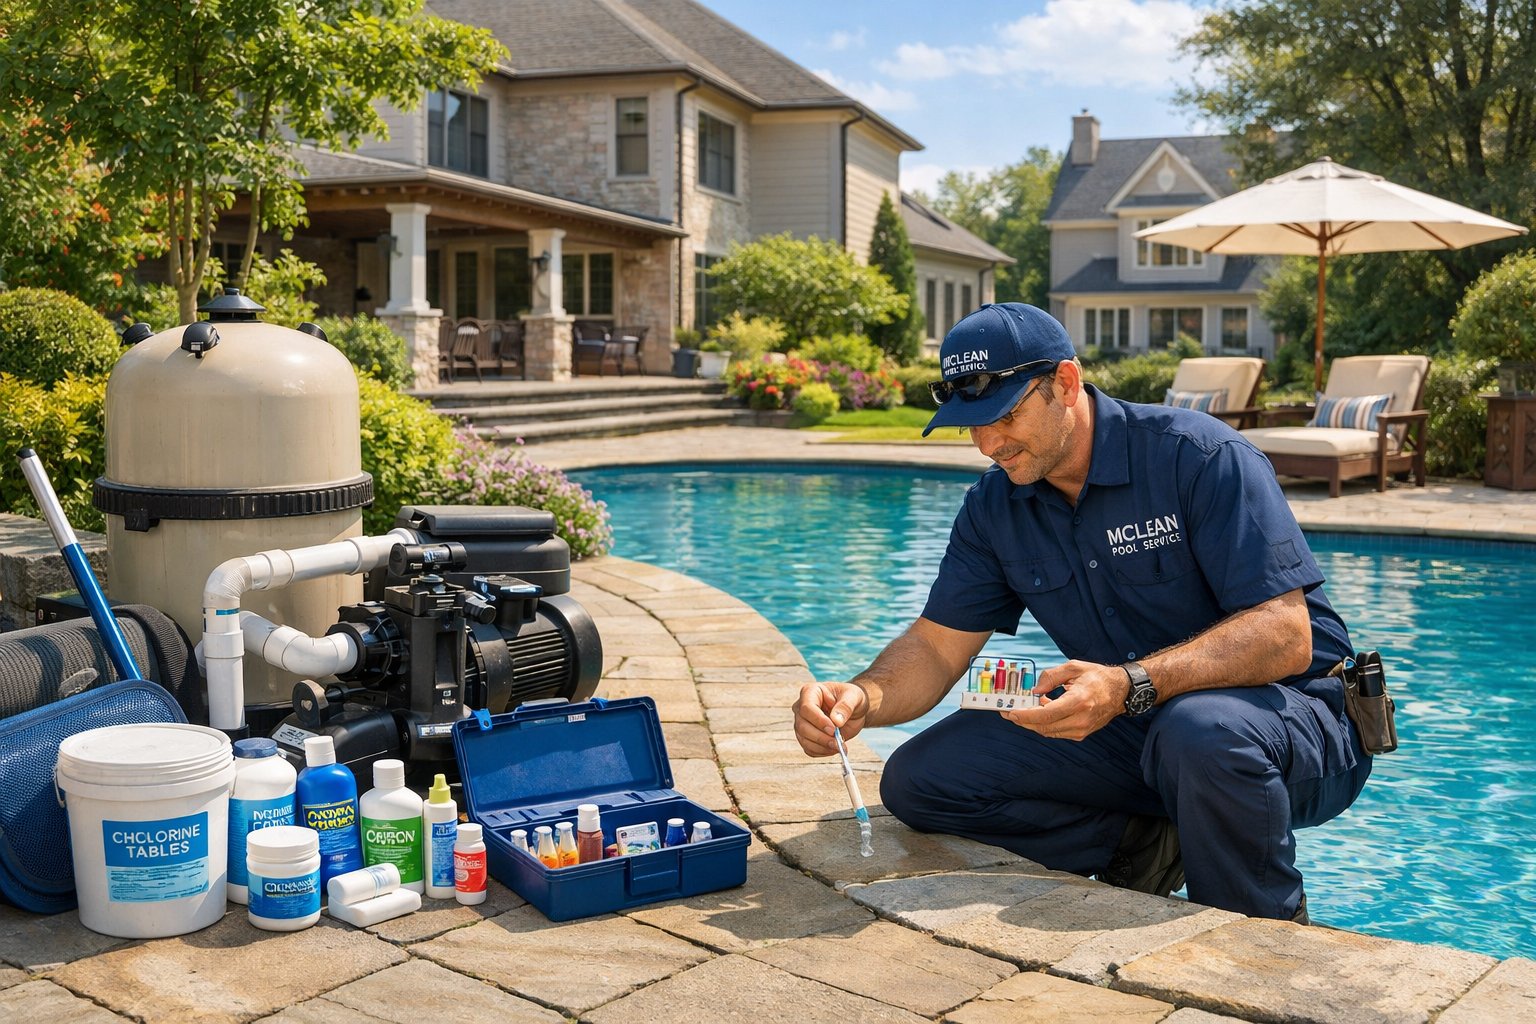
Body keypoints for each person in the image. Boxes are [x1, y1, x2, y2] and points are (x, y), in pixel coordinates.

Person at [793, 302, 1372, 922]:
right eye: (970, 426)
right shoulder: (996, 507)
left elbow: (1284, 636)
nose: (988, 444)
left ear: (1065, 383)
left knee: (1201, 730)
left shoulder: (1199, 457)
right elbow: (937, 648)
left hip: (1297, 723)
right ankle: (1146, 845)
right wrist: (862, 698)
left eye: (1004, 415)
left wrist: (1128, 686)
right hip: (1142, 727)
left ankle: (1266, 939)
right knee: (921, 779)